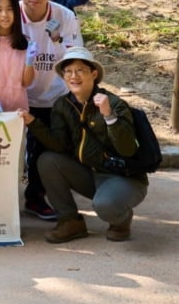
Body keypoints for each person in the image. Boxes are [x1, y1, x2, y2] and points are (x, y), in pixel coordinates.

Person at [20, 47, 147, 243]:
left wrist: (109, 116)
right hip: (90, 173)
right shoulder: (62, 105)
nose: (74, 76)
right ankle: (70, 222)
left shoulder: (113, 103)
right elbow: (59, 146)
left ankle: (121, 219)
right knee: (47, 160)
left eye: (80, 70)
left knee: (105, 206)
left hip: (123, 176)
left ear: (93, 74)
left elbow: (127, 149)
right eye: (68, 71)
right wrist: (33, 123)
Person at [17, 0, 83, 221]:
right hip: (17, 94)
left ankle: (35, 199)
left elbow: (76, 56)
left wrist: (56, 40)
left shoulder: (64, 16)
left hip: (53, 95)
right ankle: (3, 199)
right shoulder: (9, 14)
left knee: (44, 150)